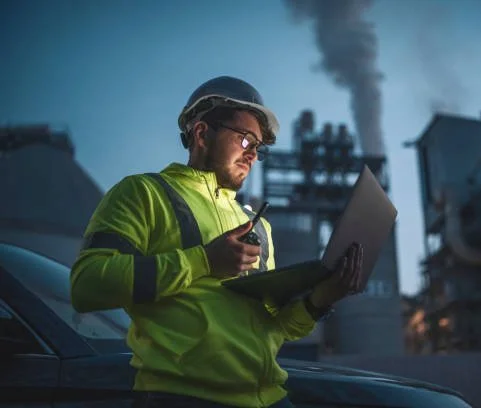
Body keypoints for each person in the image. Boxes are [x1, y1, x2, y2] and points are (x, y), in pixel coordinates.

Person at [70, 76, 365, 408]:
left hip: (269, 399)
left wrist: (323, 297)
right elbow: (87, 285)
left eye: (258, 147)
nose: (252, 154)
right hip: (183, 398)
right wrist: (205, 261)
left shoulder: (258, 226)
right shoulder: (144, 193)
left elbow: (276, 327)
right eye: (244, 139)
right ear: (201, 133)